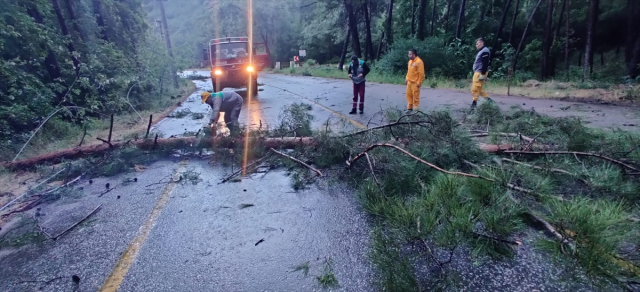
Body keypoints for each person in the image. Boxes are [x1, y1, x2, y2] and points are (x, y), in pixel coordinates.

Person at [470, 38, 491, 109]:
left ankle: (473, 105)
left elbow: (485, 63)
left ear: (482, 43)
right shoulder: (482, 51)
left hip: (479, 72)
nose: (477, 45)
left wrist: (483, 74)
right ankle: (490, 102)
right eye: (476, 44)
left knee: (475, 89)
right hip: (478, 72)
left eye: (478, 43)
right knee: (479, 89)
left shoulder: (485, 51)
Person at [405, 49, 425, 113]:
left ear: (414, 54)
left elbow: (421, 74)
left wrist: (419, 82)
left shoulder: (419, 62)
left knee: (415, 98)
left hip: (415, 83)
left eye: (410, 54)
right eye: (408, 54)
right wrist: (407, 79)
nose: (408, 55)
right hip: (409, 82)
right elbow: (409, 71)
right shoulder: (410, 61)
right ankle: (409, 109)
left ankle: (416, 112)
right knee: (408, 95)